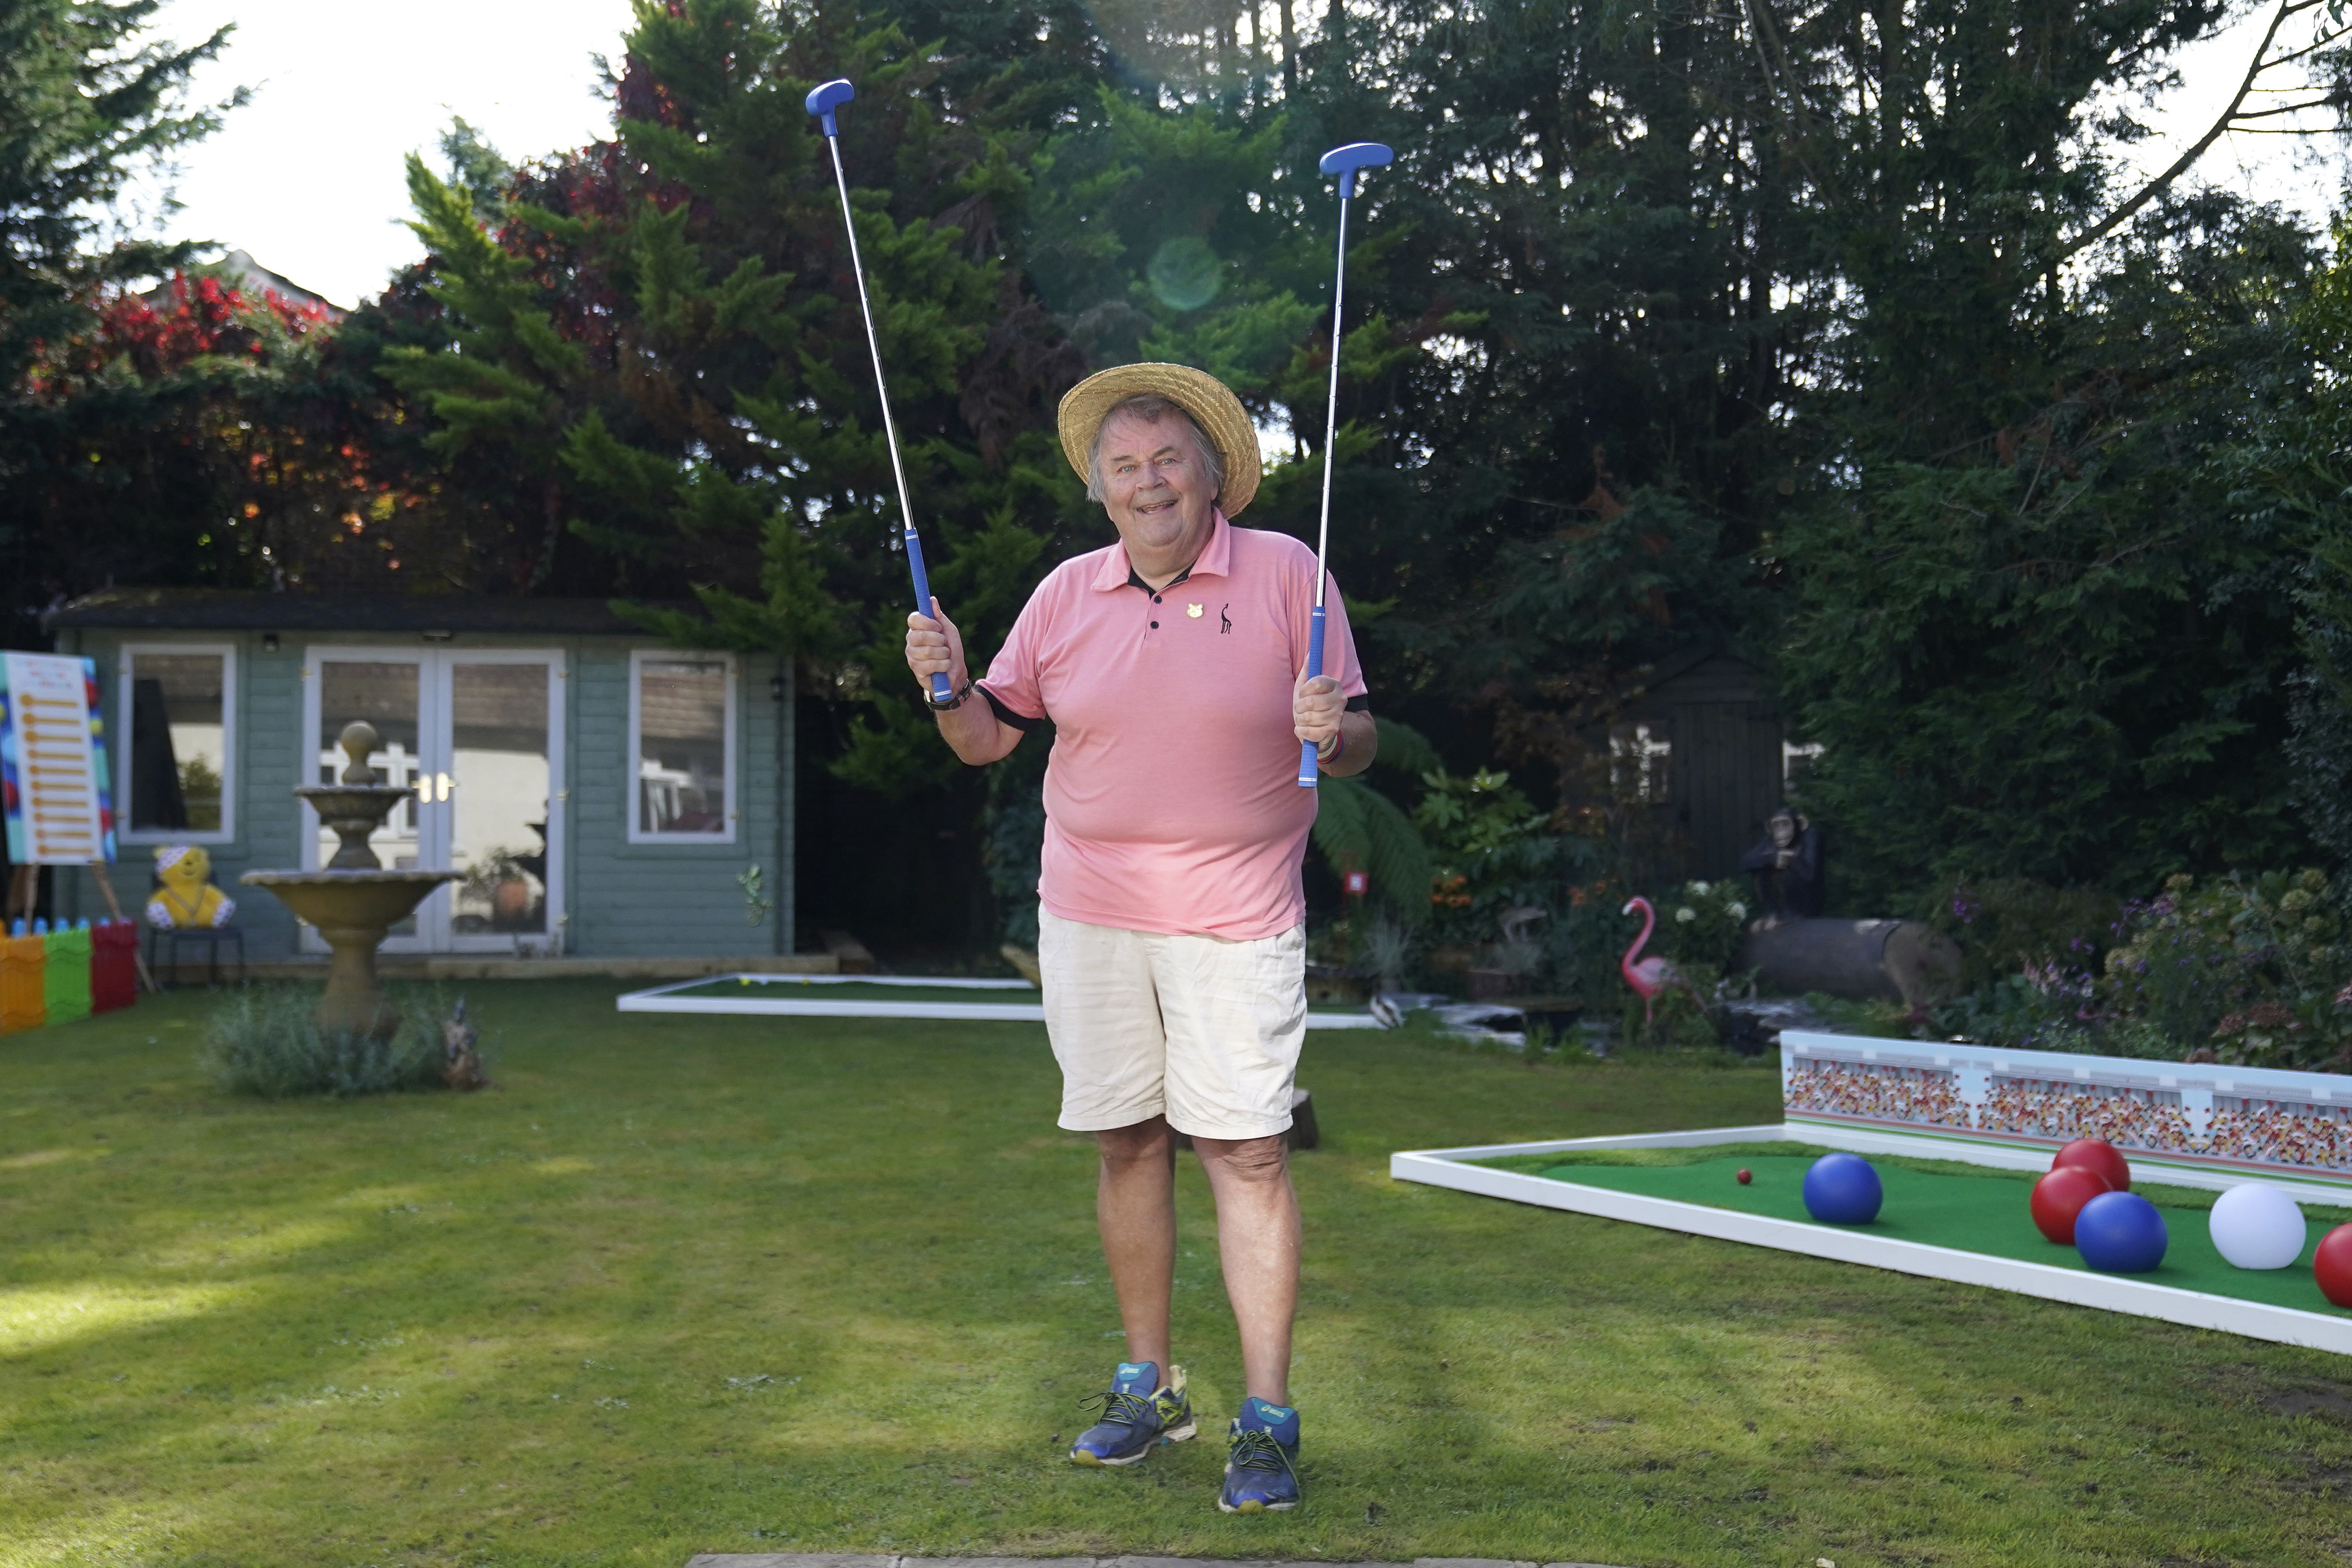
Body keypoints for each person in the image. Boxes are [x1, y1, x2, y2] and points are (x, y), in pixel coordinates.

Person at [904, 363, 1374, 1515]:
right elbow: (984, 739)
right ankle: (1148, 1381)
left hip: (1236, 912)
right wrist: (944, 683)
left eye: (1169, 458)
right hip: (1093, 908)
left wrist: (1337, 726)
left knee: (1248, 1151)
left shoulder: (1287, 573)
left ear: (1213, 474)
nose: (1149, 479)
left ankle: (1266, 1413)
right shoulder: (1064, 594)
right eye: (1126, 465)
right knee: (1125, 1141)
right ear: (1101, 490)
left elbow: (1355, 738)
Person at [1738, 806, 1825, 927]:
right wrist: (1773, 859)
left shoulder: (1811, 836)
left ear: (1800, 824)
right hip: (1782, 906)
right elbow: (1745, 864)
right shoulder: (1770, 840)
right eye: (1776, 826)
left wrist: (1791, 860)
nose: (1780, 831)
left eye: (1785, 824)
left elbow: (1810, 876)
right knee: (1763, 869)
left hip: (1807, 905)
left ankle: (1790, 914)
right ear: (1770, 828)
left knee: (1785, 867)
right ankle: (1771, 913)